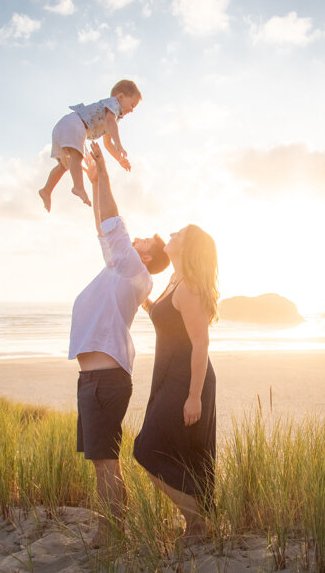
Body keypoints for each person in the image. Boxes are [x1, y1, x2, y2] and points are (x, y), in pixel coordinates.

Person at [68, 142, 169, 546]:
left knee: (107, 465)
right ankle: (111, 528)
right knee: (102, 465)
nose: (138, 239)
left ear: (146, 257)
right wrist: (95, 186)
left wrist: (105, 177)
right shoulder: (123, 267)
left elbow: (112, 224)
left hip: (103, 381)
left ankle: (111, 532)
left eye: (143, 241)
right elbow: (103, 228)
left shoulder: (135, 272)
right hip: (96, 381)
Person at [132, 223, 219, 543]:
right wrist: (145, 302)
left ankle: (197, 523)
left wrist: (194, 396)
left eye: (178, 234)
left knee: (147, 448)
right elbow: (168, 320)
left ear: (188, 247)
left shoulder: (191, 287)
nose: (170, 235)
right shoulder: (174, 280)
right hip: (169, 375)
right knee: (175, 450)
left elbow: (200, 344)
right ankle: (196, 521)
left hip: (187, 380)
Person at [38, 79, 140, 211]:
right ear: (120, 97)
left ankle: (46, 190)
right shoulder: (113, 105)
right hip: (74, 124)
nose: (132, 110)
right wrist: (119, 144)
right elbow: (111, 122)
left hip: (63, 126)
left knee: (64, 165)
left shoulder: (112, 118)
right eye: (132, 105)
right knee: (77, 155)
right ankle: (78, 187)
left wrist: (120, 159)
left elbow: (107, 144)